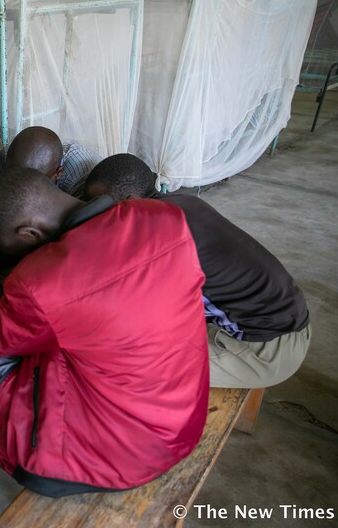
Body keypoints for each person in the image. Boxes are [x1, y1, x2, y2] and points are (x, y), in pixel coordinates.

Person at [0, 167, 209, 497]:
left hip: (102, 460)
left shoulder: (42, 282)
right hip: (178, 429)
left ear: (30, 233)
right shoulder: (163, 216)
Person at [84, 153, 311, 389]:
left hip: (265, 350)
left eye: (100, 207)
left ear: (130, 202)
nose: (96, 217)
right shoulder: (184, 202)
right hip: (287, 322)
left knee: (121, 362)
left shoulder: (158, 232)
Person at [0, 126, 101, 197]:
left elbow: (80, 225)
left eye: (34, 185)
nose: (24, 191)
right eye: (16, 178)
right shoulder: (6, 158)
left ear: (58, 173)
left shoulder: (83, 176)